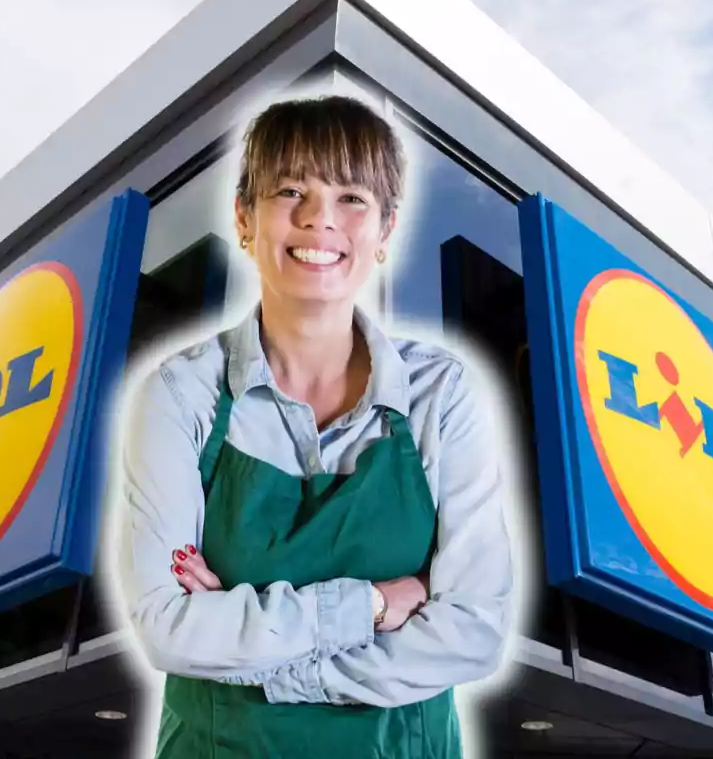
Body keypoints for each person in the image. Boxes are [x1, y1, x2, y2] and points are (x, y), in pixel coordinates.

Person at [115, 93, 516, 758]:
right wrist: (376, 607)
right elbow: (167, 628)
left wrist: (267, 660)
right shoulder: (178, 395)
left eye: (352, 197)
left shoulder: (441, 394)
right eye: (289, 190)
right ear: (244, 220)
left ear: (385, 231)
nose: (318, 219)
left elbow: (473, 630)